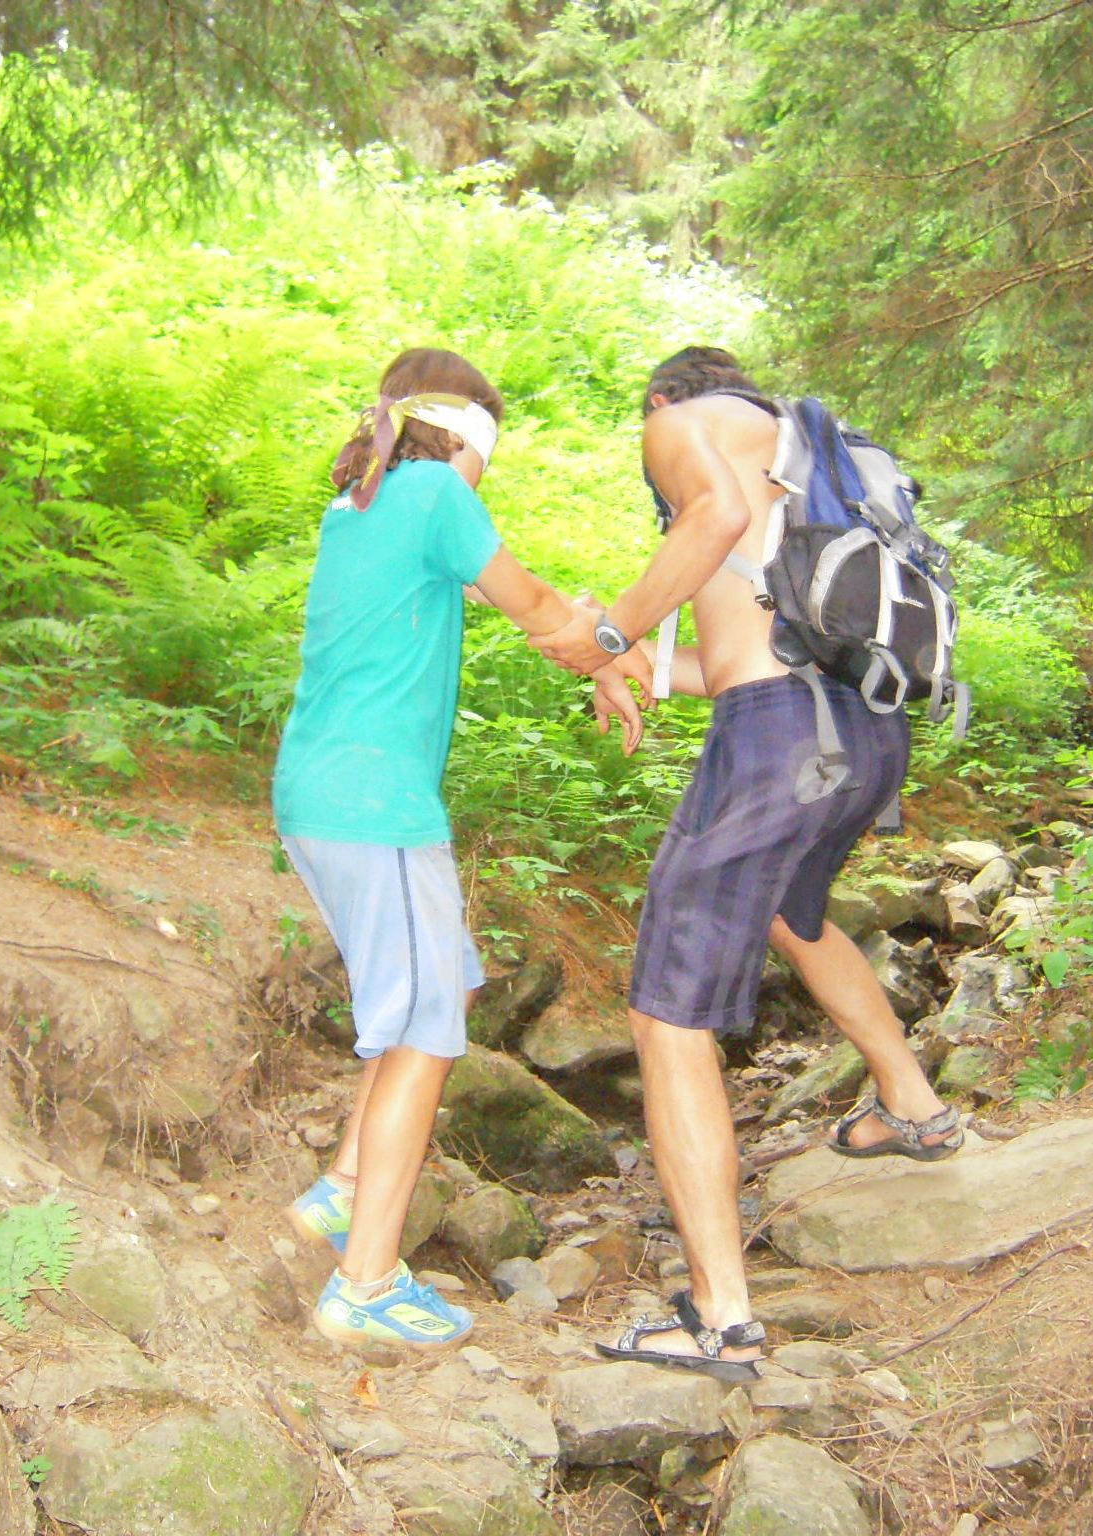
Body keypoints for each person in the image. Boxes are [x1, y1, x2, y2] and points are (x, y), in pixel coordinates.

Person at [533, 346, 961, 1382]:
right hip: (862, 732)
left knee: (666, 1015)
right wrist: (637, 661)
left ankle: (720, 1319)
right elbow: (735, 659)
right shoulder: (800, 462)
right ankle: (914, 1106)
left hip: (778, 743)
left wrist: (607, 630)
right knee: (790, 917)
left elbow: (710, 518)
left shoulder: (681, 423)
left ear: (661, 400)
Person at [275, 347, 645, 1352]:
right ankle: (364, 1283)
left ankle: (344, 1189)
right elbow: (539, 610)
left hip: (322, 794)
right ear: (466, 444)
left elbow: (522, 601)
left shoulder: (364, 504)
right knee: (424, 1032)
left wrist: (593, 642)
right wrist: (613, 651)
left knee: (448, 987)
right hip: (374, 806)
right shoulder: (436, 495)